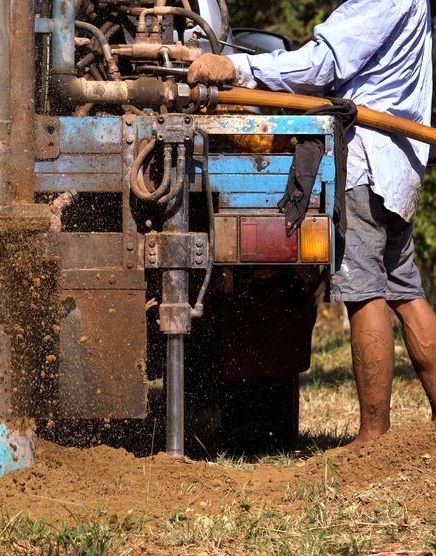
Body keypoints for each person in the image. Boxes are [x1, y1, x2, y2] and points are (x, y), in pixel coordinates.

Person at [187, 0, 436, 446]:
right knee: (407, 293)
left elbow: (321, 65)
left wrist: (235, 66)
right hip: (398, 166)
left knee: (365, 294)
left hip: (366, 166)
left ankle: (373, 439)